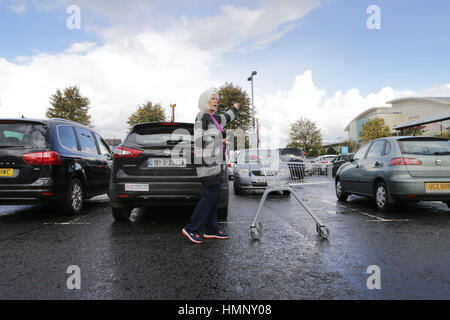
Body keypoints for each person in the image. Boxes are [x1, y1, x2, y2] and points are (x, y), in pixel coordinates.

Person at [182, 88, 240, 244]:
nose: (216, 101)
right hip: (207, 163)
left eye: (217, 99)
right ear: (205, 100)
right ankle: (191, 228)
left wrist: (235, 107)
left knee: (214, 197)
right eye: (213, 98)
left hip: (216, 163)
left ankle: (211, 230)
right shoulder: (202, 116)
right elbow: (199, 140)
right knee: (210, 196)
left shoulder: (214, 118)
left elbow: (227, 117)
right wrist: (219, 141)